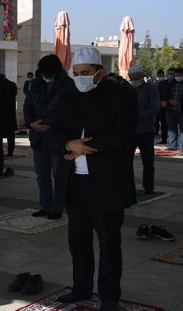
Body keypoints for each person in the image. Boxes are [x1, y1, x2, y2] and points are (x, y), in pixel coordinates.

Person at [51, 47, 138, 311]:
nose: (80, 79)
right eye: (76, 74)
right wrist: (68, 144)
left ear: (100, 72)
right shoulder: (67, 95)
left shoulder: (122, 95)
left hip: (107, 182)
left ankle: (109, 297)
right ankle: (81, 289)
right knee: (78, 241)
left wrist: (87, 146)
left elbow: (124, 133)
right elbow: (53, 131)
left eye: (86, 74)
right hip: (75, 182)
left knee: (109, 242)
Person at [24, 55, 75, 220]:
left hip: (58, 136)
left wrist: (50, 124)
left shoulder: (68, 86)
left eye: (49, 72)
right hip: (38, 136)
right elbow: (28, 105)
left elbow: (68, 111)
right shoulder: (36, 84)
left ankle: (57, 207)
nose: (46, 75)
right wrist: (31, 123)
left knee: (58, 174)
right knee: (42, 174)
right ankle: (45, 205)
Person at [127, 66, 160, 195]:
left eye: (135, 78)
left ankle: (149, 187)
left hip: (146, 131)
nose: (134, 80)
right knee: (127, 161)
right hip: (130, 131)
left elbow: (154, 108)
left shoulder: (151, 89)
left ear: (141, 76)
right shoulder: (128, 89)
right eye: (131, 79)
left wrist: (136, 117)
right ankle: (129, 187)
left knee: (148, 161)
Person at [166, 67, 183, 152]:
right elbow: (166, 94)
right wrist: (169, 100)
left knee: (182, 129)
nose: (177, 77)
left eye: (179, 75)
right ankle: (172, 146)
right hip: (171, 109)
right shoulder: (171, 83)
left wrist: (179, 101)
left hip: (181, 110)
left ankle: (181, 147)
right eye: (176, 75)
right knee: (171, 129)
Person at [154, 70, 168, 144]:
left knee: (164, 123)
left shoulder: (166, 83)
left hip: (163, 106)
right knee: (155, 121)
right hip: (156, 106)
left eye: (161, 76)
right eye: (159, 76)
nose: (160, 77)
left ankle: (164, 137)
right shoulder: (154, 83)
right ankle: (156, 133)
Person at [5, 74, 18, 156]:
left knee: (9, 134)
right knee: (10, 134)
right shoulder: (11, 84)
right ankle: (10, 151)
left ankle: (10, 151)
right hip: (9, 113)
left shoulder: (7, 85)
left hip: (6, 113)